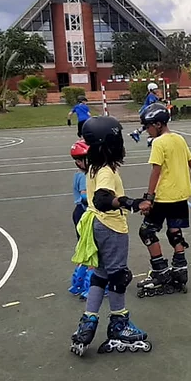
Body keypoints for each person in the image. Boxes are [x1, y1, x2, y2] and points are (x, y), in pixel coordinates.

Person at [69, 115, 151, 357]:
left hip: (97, 225)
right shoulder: (105, 170)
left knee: (101, 274)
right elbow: (103, 199)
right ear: (110, 144)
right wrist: (131, 202)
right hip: (111, 227)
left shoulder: (94, 166)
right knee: (118, 275)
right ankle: (119, 325)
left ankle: (88, 322)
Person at [134, 103, 191, 298]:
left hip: (164, 196)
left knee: (147, 231)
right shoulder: (179, 139)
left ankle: (160, 271)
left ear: (158, 124)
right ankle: (180, 269)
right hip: (181, 195)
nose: (147, 130)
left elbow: (156, 171)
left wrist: (149, 197)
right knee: (175, 231)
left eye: (148, 126)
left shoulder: (159, 143)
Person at [68, 140, 95, 298]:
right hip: (85, 213)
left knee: (83, 248)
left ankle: (78, 281)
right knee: (92, 250)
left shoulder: (78, 175)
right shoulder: (85, 176)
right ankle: (91, 285)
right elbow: (86, 197)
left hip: (79, 212)